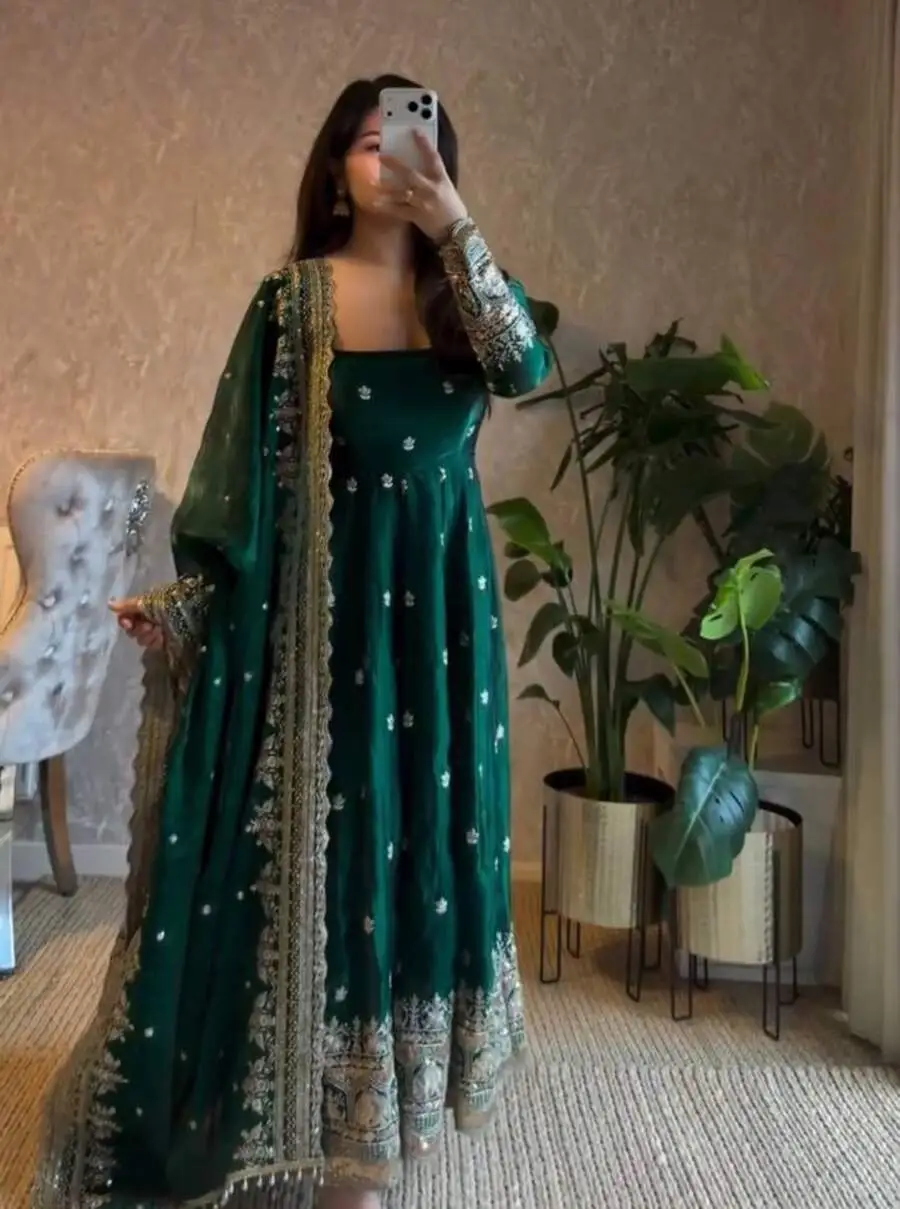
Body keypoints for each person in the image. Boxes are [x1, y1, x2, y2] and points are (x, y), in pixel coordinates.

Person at [30, 74, 550, 1209]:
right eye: (369, 142)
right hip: (325, 633)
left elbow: (526, 367)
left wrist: (454, 222)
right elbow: (242, 490)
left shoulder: (463, 297)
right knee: (337, 848)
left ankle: (387, 1120)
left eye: (411, 141)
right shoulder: (292, 303)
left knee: (426, 844)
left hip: (442, 631)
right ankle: (329, 1131)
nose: (391, 159)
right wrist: (188, 605)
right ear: (334, 172)